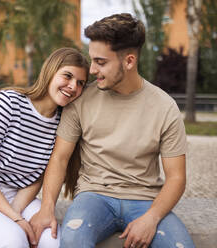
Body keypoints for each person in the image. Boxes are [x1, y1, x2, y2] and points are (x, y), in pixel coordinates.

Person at [30, 14, 195, 248]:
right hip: (93, 196)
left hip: (145, 200)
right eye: (92, 60)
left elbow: (177, 177)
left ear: (129, 61)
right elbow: (60, 158)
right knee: (73, 239)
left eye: (101, 62)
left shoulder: (164, 107)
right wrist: (47, 208)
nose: (92, 69)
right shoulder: (81, 100)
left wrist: (152, 218)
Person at [0, 47, 89, 248]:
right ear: (50, 72)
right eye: (68, 76)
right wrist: (14, 218)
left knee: (53, 241)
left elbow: (38, 177)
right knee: (12, 240)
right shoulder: (9, 102)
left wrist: (15, 211)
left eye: (80, 83)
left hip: (18, 196)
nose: (73, 86)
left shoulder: (63, 123)